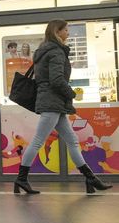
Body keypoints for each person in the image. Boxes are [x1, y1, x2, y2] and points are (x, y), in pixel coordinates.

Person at [14, 20, 113, 195]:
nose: (68, 32)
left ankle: (90, 179)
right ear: (57, 32)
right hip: (53, 102)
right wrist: (72, 93)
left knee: (73, 140)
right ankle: (21, 179)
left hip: (54, 103)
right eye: (66, 30)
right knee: (38, 141)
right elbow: (57, 80)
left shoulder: (44, 51)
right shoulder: (56, 52)